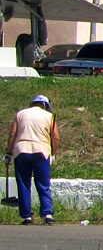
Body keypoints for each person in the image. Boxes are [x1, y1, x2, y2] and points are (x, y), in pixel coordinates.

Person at [6, 94, 61, 225]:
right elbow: (55, 138)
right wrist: (52, 153)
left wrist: (8, 153)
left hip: (21, 151)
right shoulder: (49, 116)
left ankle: (27, 216)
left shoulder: (20, 114)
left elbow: (13, 134)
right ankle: (47, 214)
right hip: (41, 151)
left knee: (24, 184)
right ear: (45, 106)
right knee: (43, 184)